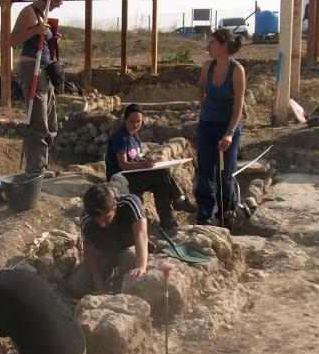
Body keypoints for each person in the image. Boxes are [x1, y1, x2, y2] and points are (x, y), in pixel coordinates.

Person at [9, 0, 72, 177]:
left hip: (45, 68)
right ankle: (36, 168)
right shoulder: (30, 12)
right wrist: (35, 30)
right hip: (31, 68)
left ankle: (40, 162)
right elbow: (12, 40)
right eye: (59, 1)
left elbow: (43, 40)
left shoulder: (46, 15)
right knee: (38, 120)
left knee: (51, 122)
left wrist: (53, 37)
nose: (60, 5)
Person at [105, 103, 196, 230]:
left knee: (161, 185)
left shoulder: (133, 136)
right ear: (125, 119)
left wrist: (147, 161)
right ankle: (180, 200)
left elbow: (135, 157)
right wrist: (144, 164)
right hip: (122, 178)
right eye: (132, 121)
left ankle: (169, 222)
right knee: (161, 174)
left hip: (133, 174)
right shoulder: (121, 137)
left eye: (139, 121)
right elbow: (124, 165)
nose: (136, 124)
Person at [195, 28, 246, 225]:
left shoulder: (237, 70)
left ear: (224, 46)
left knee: (225, 174)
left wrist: (230, 134)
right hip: (207, 125)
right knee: (205, 171)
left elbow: (238, 106)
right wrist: (203, 108)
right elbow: (200, 87)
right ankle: (205, 213)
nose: (208, 47)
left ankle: (226, 211)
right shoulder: (208, 66)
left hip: (227, 127)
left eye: (212, 43)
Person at [66, 184, 149, 299]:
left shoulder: (130, 203)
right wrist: (100, 287)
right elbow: (89, 254)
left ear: (114, 205)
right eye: (97, 221)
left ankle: (120, 288)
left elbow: (141, 235)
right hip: (104, 253)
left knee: (130, 257)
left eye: (106, 218)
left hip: (128, 250)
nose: (102, 224)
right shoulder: (87, 217)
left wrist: (141, 266)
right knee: (75, 287)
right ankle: (108, 276)